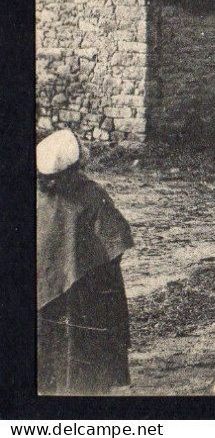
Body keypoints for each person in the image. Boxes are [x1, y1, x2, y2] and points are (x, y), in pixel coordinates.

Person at [36, 129, 134, 394]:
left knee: (51, 333)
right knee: (85, 335)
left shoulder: (39, 196)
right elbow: (115, 240)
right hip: (90, 287)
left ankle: (50, 383)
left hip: (46, 285)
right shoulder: (90, 193)